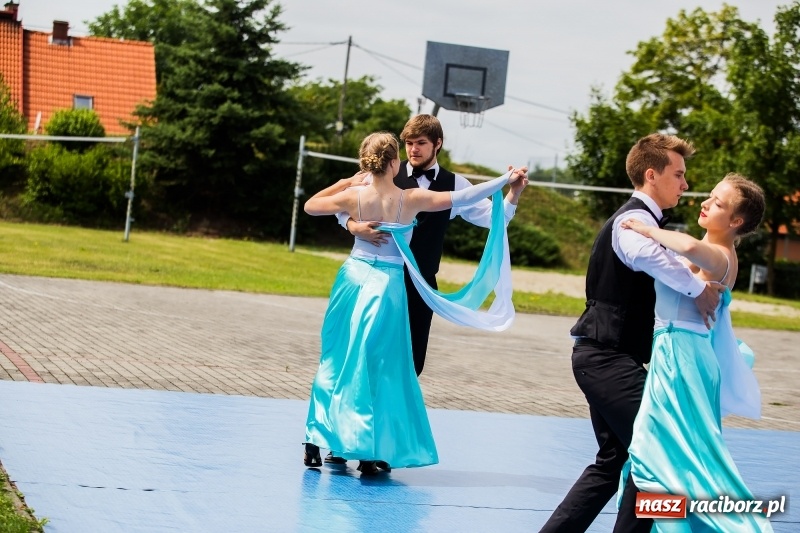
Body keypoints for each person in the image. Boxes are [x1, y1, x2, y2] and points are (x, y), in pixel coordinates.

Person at [302, 131, 526, 475]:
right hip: (386, 287)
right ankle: (363, 445)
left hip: (351, 279)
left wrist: (347, 189)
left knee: (338, 355)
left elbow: (310, 205)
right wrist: (505, 181)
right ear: (394, 162)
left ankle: (318, 437)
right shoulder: (412, 198)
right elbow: (465, 197)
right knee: (376, 364)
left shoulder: (353, 195)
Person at [539, 133, 723, 533]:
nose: (686, 185)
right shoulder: (631, 222)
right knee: (657, 452)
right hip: (606, 359)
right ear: (652, 174)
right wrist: (699, 291)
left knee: (614, 461)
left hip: (604, 357)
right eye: (680, 175)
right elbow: (650, 257)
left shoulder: (647, 223)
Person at [619, 173, 772, 532]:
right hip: (675, 355)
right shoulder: (710, 253)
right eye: (711, 197)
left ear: (736, 221)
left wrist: (647, 230)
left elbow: (687, 247)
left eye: (717, 203)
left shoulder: (721, 255)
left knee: (665, 454)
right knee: (669, 457)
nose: (705, 203)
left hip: (683, 359)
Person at [338, 114, 528, 377]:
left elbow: (496, 220)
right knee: (370, 349)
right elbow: (342, 204)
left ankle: (398, 413)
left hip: (422, 285)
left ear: (437, 144)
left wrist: (513, 193)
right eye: (409, 143)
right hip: (380, 278)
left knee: (413, 361)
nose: (413, 149)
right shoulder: (383, 172)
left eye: (421, 143)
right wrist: (351, 225)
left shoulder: (456, 184)